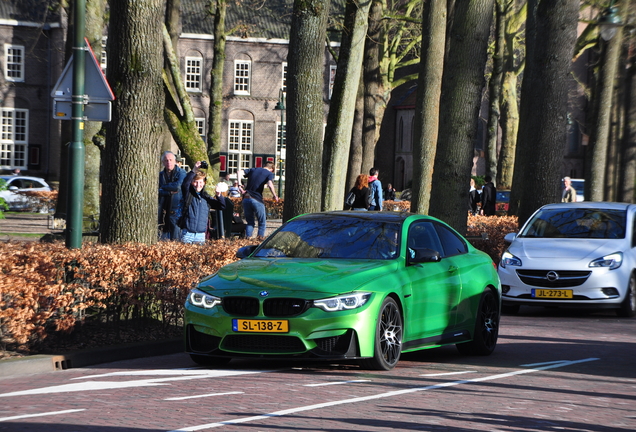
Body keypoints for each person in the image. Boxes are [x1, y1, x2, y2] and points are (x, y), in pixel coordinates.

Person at [178, 162, 226, 244]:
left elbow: (221, 206)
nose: (198, 185)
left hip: (200, 235)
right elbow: (185, 184)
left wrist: (219, 195)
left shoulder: (206, 197)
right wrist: (194, 170)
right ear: (192, 182)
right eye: (195, 182)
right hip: (187, 234)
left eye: (200, 182)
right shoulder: (189, 194)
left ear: (204, 183)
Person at [238, 161, 279, 239]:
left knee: (250, 222)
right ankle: (259, 240)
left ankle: (247, 238)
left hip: (246, 198)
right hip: (256, 199)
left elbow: (239, 172)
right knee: (262, 222)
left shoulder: (253, 169)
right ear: (272, 169)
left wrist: (239, 184)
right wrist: (274, 195)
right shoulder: (269, 174)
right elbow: (270, 184)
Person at [158, 151, 187, 240]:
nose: (168, 162)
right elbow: (156, 191)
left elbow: (177, 186)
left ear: (175, 161)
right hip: (163, 211)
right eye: (166, 160)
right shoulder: (160, 175)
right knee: (162, 239)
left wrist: (163, 187)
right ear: (163, 162)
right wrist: (168, 192)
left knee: (175, 240)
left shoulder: (181, 173)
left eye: (170, 160)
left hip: (176, 211)